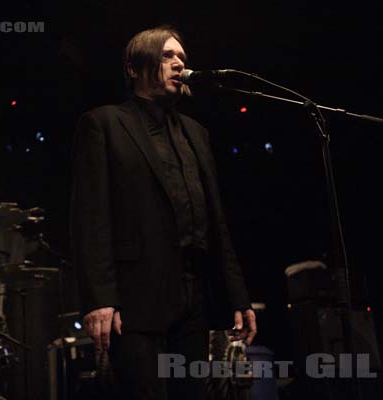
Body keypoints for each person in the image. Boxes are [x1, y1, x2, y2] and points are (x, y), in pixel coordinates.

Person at [70, 26, 257, 399]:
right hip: (135, 298)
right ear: (134, 68)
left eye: (182, 59)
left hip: (193, 294)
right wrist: (99, 298)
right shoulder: (104, 124)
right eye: (167, 56)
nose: (178, 64)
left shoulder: (196, 133)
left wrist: (237, 296)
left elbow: (215, 219)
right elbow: (90, 218)